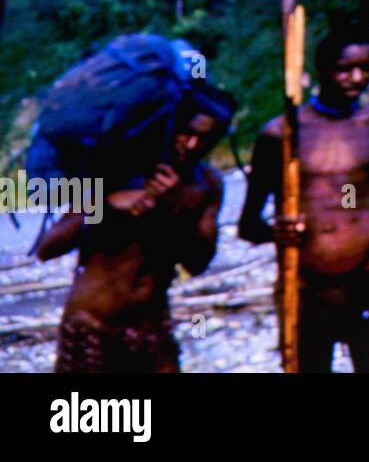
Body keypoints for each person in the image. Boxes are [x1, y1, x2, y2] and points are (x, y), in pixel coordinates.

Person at [239, 25, 369, 373]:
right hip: (306, 288)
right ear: (321, 70)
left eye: (366, 68)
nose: (356, 78)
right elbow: (248, 225)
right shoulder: (281, 135)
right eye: (344, 69)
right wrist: (278, 232)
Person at [36, 91, 232, 373]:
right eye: (186, 133)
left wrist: (175, 209)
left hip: (151, 325)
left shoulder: (206, 184)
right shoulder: (116, 167)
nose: (191, 145)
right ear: (171, 125)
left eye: (205, 139)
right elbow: (48, 247)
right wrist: (109, 204)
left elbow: (198, 263)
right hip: (93, 321)